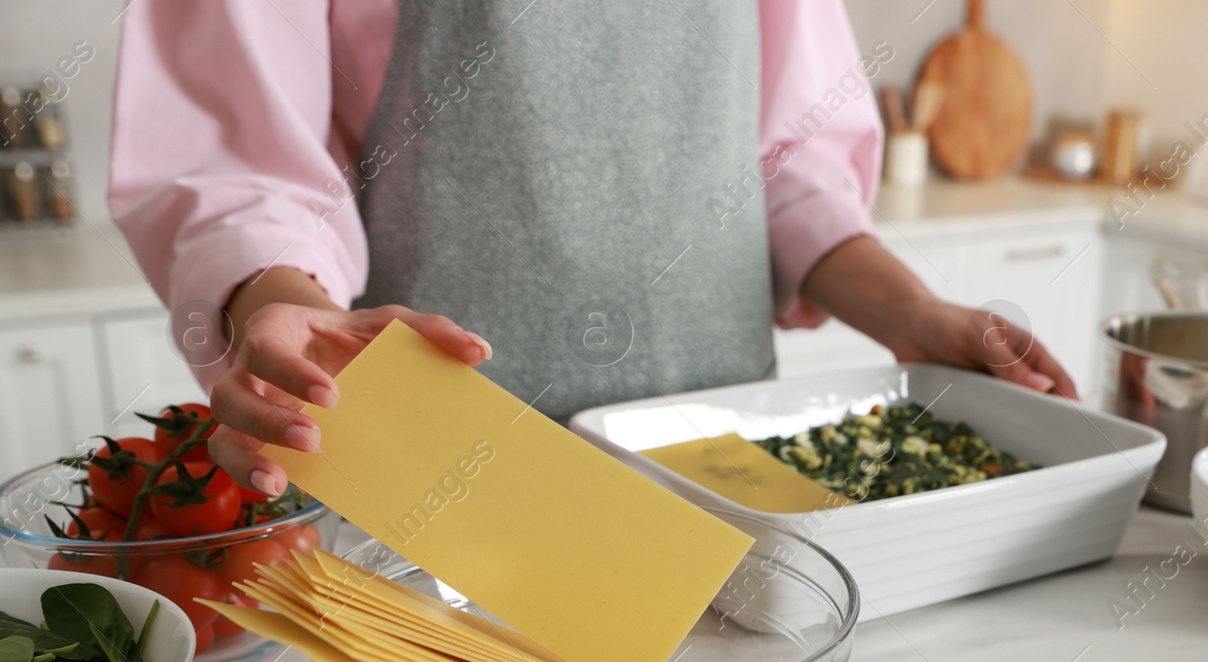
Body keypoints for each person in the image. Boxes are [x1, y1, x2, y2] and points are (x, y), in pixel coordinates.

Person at [110, 0, 1076, 501]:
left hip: (732, 476)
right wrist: (284, 307)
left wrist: (911, 312)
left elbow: (785, 160)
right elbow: (240, 172)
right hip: (430, 483)